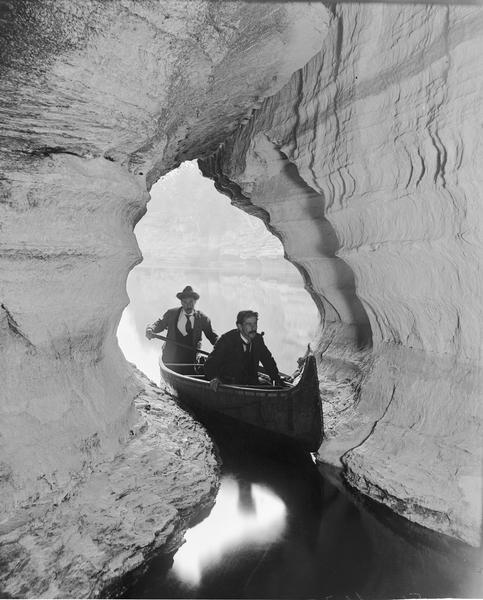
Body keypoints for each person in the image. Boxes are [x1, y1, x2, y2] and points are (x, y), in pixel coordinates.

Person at [145, 285, 218, 374]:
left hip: (191, 360)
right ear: (181, 302)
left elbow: (212, 336)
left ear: (195, 302)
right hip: (171, 358)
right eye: (185, 302)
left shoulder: (202, 318)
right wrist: (150, 329)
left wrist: (224, 347)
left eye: (191, 302)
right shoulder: (171, 314)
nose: (188, 305)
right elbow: (159, 324)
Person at [204, 309, 283, 390]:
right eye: (248, 324)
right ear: (239, 326)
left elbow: (268, 361)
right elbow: (210, 364)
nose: (253, 327)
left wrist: (276, 379)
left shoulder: (258, 339)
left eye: (255, 323)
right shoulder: (227, 339)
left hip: (252, 384)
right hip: (229, 384)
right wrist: (215, 378)